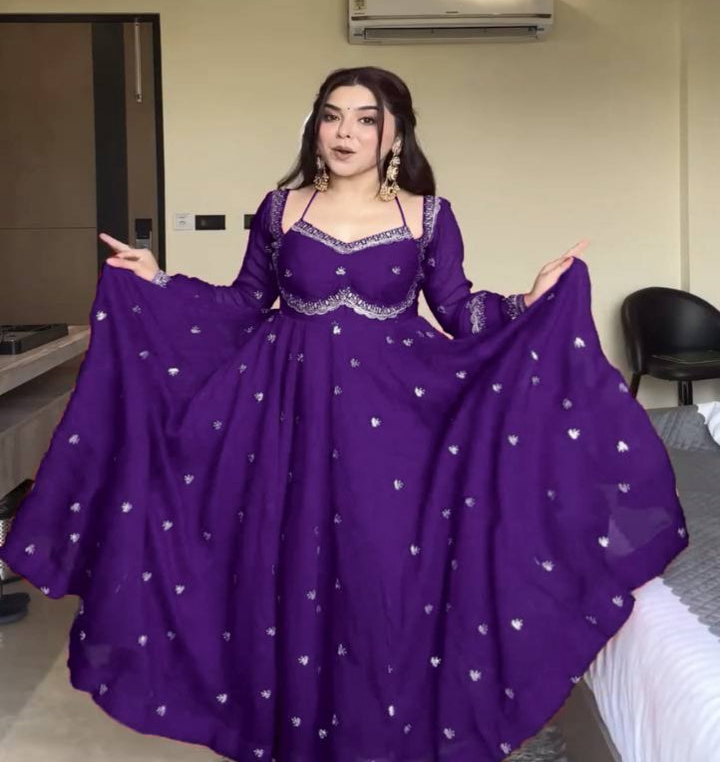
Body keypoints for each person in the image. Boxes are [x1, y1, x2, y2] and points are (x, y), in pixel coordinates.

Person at [2, 66, 688, 762]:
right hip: (283, 419)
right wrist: (157, 280)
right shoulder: (281, 209)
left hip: (394, 426)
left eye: (365, 118)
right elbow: (243, 303)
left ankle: (379, 737)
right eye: (332, 116)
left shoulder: (427, 216)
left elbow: (458, 310)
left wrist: (528, 301)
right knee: (285, 570)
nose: (345, 132)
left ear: (395, 133)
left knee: (380, 573)